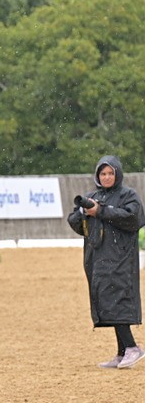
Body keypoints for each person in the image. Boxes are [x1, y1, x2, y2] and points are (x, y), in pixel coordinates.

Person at [67, 155, 144, 368]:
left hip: (121, 259)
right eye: (103, 173)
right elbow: (74, 223)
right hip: (98, 258)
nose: (107, 177)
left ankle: (132, 347)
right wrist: (84, 211)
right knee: (107, 302)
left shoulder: (129, 195)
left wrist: (101, 211)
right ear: (97, 175)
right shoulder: (93, 196)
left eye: (111, 173)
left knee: (119, 300)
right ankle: (122, 352)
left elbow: (133, 219)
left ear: (118, 174)